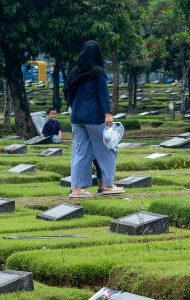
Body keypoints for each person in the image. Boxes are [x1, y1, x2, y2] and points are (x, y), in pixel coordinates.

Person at [64, 40, 124, 197]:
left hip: (77, 118)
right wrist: (108, 114)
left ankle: (76, 190)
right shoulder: (98, 72)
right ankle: (107, 186)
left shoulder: (74, 72)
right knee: (109, 148)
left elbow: (68, 93)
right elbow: (103, 94)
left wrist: (76, 108)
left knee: (80, 152)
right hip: (94, 116)